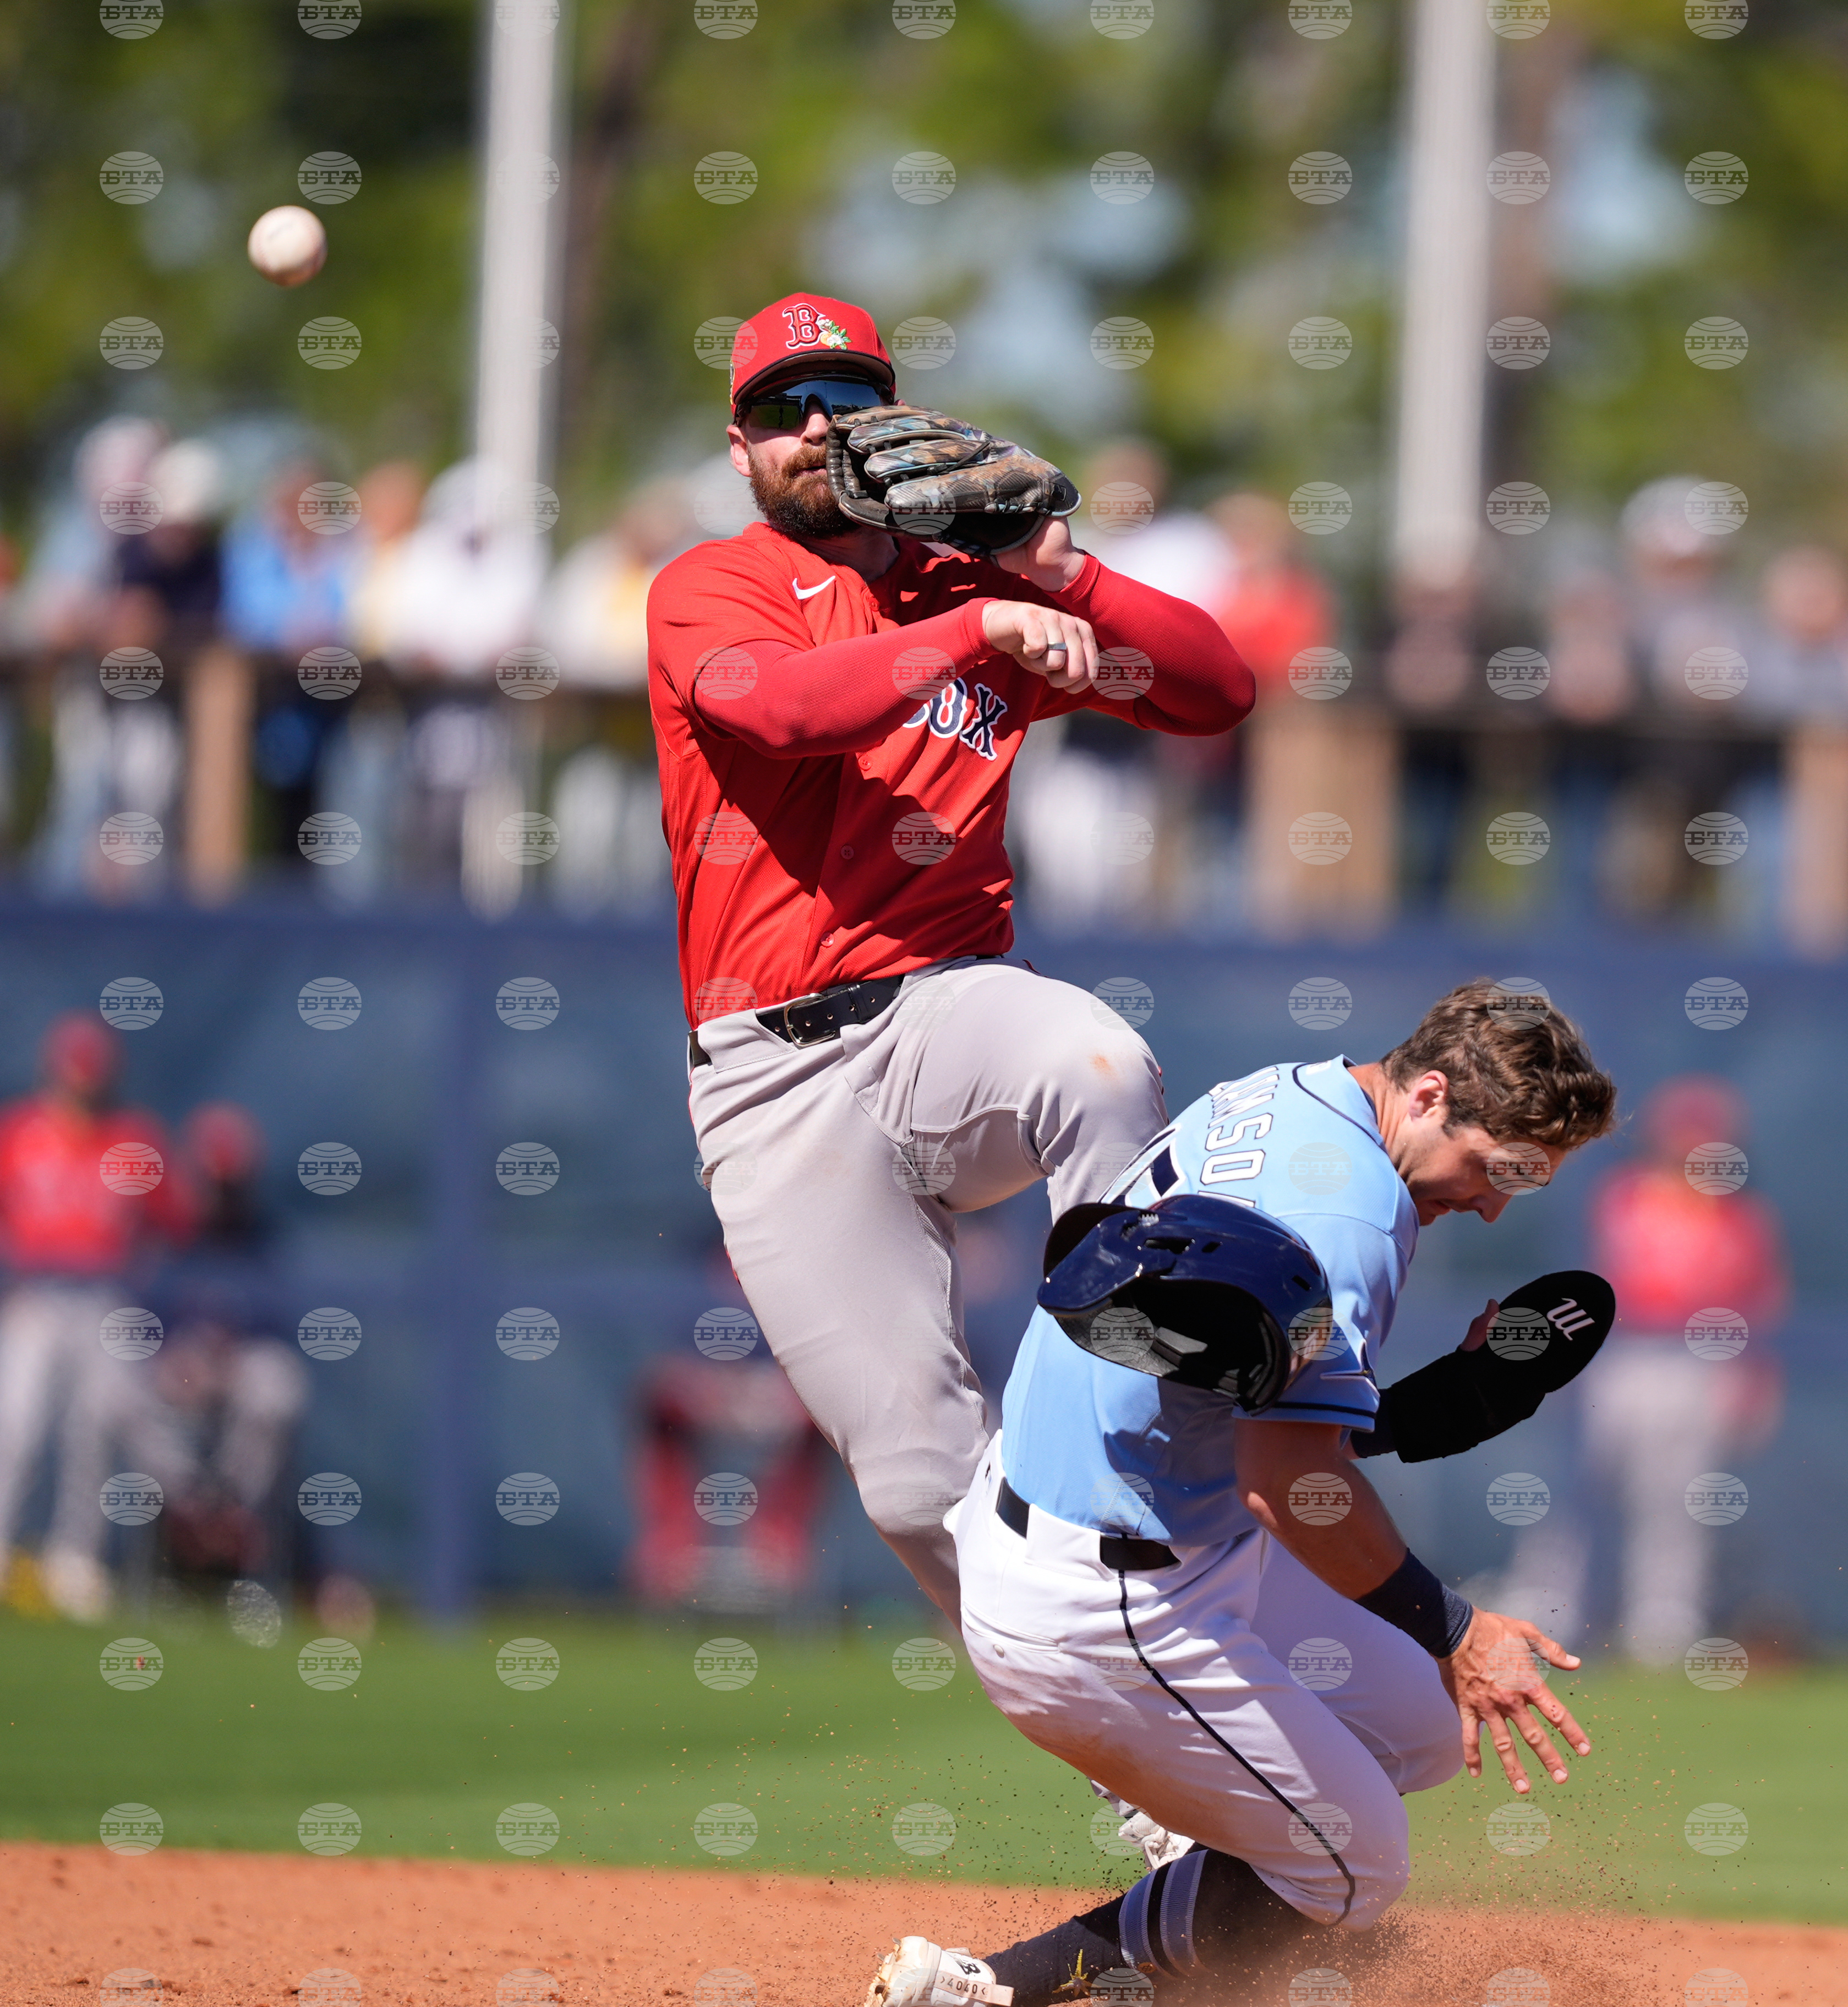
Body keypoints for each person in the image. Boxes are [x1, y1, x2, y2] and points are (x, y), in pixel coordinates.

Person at [647, 292, 1254, 1624]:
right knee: (921, 1484)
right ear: (737, 445)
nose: (813, 426)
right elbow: (787, 708)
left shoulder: (982, 582)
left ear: (893, 421)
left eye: (843, 399)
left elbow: (1217, 693)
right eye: (779, 410)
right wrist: (973, 632)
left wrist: (1058, 571)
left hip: (942, 1013)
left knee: (1091, 1061)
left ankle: (1126, 1402)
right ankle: (1133, 1739)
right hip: (770, 1079)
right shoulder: (713, 584)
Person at [866, 981, 1618, 2007]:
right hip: (1103, 1603)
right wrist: (1457, 1628)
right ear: (1433, 1092)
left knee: (1422, 1725)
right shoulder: (1352, 1217)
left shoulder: (1287, 1094)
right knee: (1358, 1875)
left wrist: (1428, 1408)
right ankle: (989, 1988)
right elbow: (1288, 1482)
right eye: (1496, 1170)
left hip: (1116, 1520)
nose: (1491, 1202)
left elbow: (1237, 1410)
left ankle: (1228, 1901)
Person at [1507, 1075, 1786, 1663]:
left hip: (1698, 1368)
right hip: (1620, 1358)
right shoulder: (1623, 1197)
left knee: (1676, 1504)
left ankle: (1662, 1628)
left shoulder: (1738, 1216)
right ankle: (1543, 1611)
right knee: (1579, 1492)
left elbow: (1762, 1307)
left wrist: (1755, 1383)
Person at [0, 1016, 194, 1619]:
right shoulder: (21, 1131)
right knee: (18, 1425)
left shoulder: (133, 1136)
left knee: (95, 1429)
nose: (81, 1085)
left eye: (91, 1074)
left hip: (104, 1299)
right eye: (73, 1073)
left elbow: (177, 1221)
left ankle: (75, 1561)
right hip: (37, 1293)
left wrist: (142, 1272)